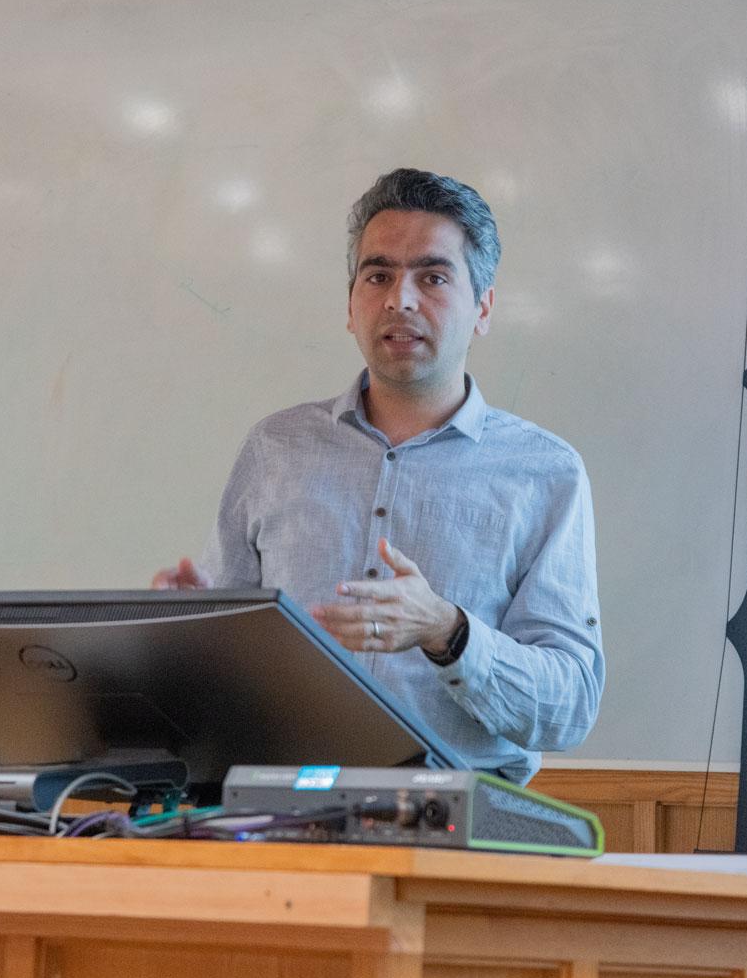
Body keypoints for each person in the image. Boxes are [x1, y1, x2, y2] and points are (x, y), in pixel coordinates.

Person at [153, 168, 603, 783]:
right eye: (379, 275)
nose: (400, 299)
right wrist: (191, 636)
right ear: (350, 305)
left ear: (484, 308)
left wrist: (446, 630)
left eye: (433, 277)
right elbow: (226, 670)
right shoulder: (276, 447)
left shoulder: (543, 473)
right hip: (279, 815)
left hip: (455, 826)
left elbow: (570, 704)